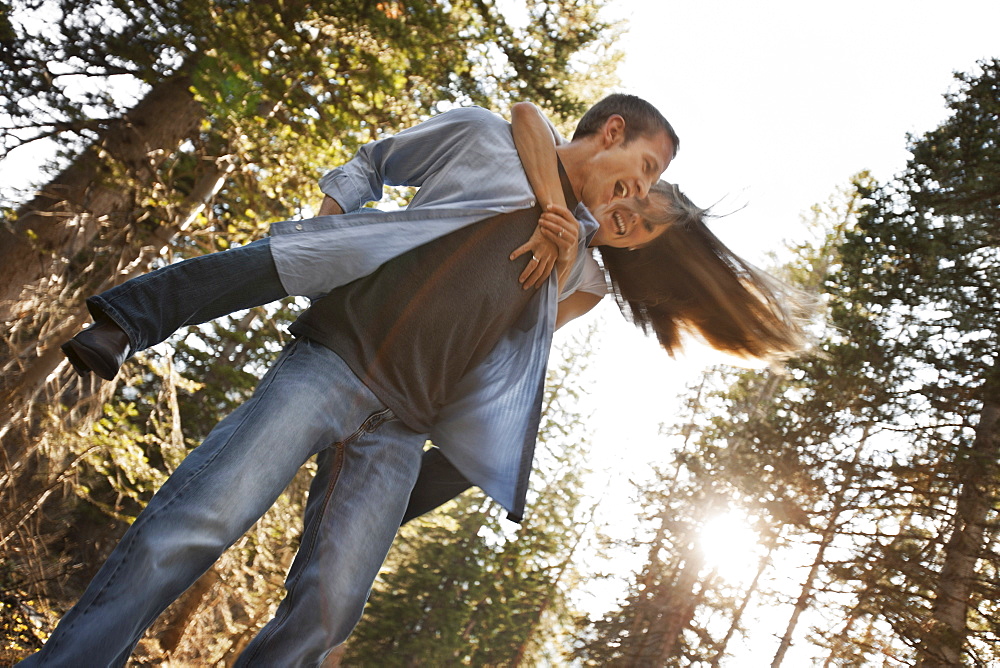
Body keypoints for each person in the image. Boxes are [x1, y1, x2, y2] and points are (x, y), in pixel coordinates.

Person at [24, 94, 681, 667]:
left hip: (401, 430)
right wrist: (329, 218)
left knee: (326, 615)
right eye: (646, 169)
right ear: (614, 130)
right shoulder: (486, 136)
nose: (639, 191)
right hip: (335, 360)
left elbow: (512, 347)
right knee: (196, 522)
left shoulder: (577, 267)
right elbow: (378, 160)